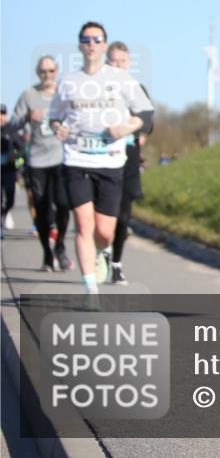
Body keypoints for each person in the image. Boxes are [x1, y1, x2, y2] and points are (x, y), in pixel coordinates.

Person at [49, 22, 155, 294]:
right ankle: (90, 290)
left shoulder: (121, 79)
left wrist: (126, 128)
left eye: (97, 39)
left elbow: (146, 114)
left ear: (104, 44)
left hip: (110, 161)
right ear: (80, 45)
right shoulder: (69, 82)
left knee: (105, 231)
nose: (91, 44)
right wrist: (57, 128)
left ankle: (103, 251)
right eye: (86, 39)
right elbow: (55, 116)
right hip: (76, 159)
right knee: (84, 224)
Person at [10, 57, 74, 272]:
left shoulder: (64, 94)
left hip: (62, 158)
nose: (47, 75)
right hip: (37, 161)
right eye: (43, 71)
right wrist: (28, 116)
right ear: (38, 73)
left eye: (51, 71)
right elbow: (11, 125)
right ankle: (47, 252)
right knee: (42, 208)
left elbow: (78, 119)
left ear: (56, 71)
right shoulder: (29, 95)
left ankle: (61, 246)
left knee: (64, 204)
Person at [106, 41, 154, 284]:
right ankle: (101, 250)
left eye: (122, 61)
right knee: (103, 215)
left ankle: (116, 263)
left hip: (128, 157)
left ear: (129, 63)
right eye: (113, 61)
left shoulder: (137, 88)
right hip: (101, 158)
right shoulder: (97, 89)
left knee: (123, 215)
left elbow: (149, 121)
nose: (118, 65)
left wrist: (140, 130)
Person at [1, 104, 23, 234]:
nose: (0, 117)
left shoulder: (11, 130)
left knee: (10, 199)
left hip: (9, 170)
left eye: (2, 114)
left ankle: (5, 212)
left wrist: (17, 162)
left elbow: (22, 151)